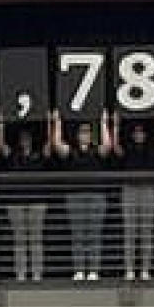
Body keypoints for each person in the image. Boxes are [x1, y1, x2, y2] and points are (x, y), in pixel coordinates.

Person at [109, 112, 154, 280]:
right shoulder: (128, 148)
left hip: (147, 190)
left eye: (141, 132)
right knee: (129, 232)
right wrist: (115, 126)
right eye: (136, 133)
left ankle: (144, 270)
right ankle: (129, 269)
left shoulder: (150, 148)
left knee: (146, 233)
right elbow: (115, 149)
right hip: (129, 190)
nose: (138, 135)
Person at [53, 116, 112, 281]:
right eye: (82, 132)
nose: (85, 135)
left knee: (94, 234)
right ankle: (79, 269)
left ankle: (93, 270)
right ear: (77, 135)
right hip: (75, 196)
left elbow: (107, 146)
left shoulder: (96, 150)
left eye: (88, 132)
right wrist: (58, 123)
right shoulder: (72, 151)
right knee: (77, 234)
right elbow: (57, 146)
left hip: (96, 196)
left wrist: (103, 123)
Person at [0, 114, 52, 282]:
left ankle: (36, 275)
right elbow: (1, 146)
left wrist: (51, 123)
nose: (25, 141)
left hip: (37, 201)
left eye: (27, 138)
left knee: (36, 239)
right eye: (22, 138)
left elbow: (49, 146)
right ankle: (20, 275)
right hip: (15, 202)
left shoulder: (38, 154)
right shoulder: (13, 154)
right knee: (19, 240)